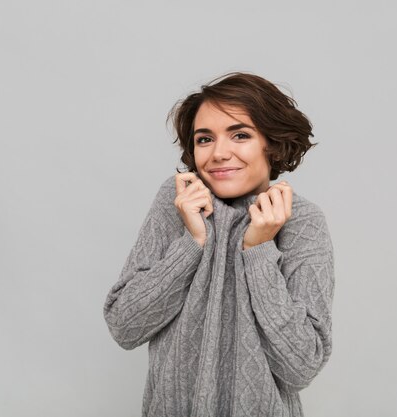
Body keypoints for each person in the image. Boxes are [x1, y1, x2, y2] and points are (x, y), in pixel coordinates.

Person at [103, 72, 335, 417]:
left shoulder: (301, 221)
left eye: (240, 135)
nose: (218, 153)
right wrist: (193, 242)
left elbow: (300, 366)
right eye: (204, 139)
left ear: (270, 142)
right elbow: (125, 326)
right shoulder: (178, 199)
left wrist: (258, 251)